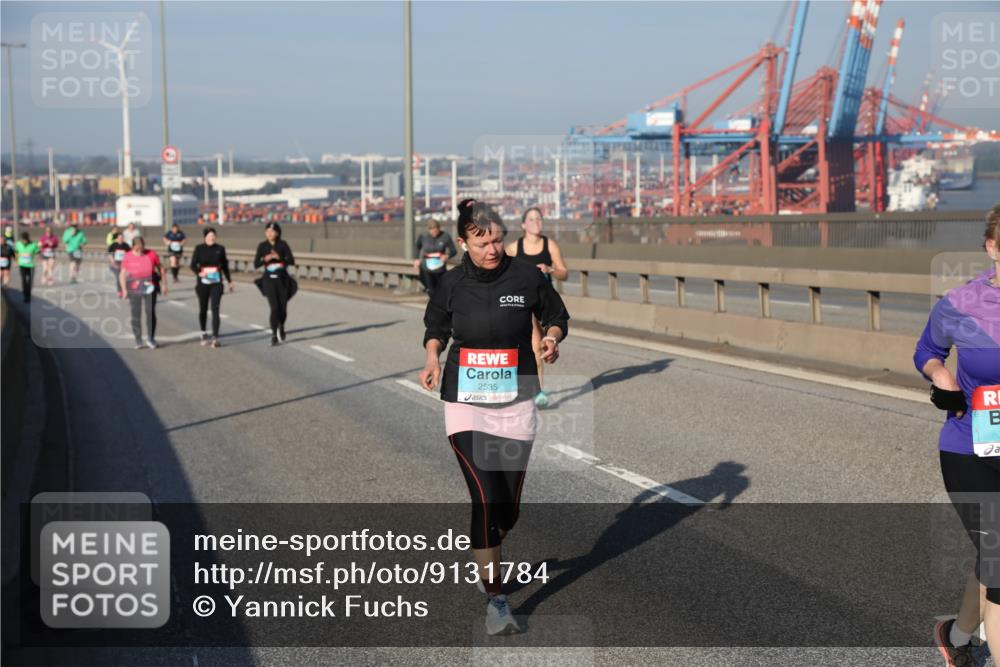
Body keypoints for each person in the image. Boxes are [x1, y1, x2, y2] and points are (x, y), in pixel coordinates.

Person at [419, 199, 569, 636]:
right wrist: (432, 357)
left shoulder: (525, 275)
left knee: (507, 510)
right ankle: (496, 599)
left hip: (517, 402)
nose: (491, 249)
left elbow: (556, 315)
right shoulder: (450, 284)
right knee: (484, 496)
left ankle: (492, 541)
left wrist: (552, 340)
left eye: (497, 240)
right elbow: (435, 327)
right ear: (463, 242)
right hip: (465, 402)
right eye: (481, 242)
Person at [916, 203, 1000, 666]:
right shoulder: (961, 304)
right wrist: (940, 374)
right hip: (971, 449)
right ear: (991, 247)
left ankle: (959, 635)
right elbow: (928, 350)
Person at [506, 207, 569, 408]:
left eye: (539, 219)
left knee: (543, 343)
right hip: (524, 302)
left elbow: (564, 273)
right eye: (531, 219)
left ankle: (531, 385)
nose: (536, 223)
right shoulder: (515, 248)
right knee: (535, 345)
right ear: (523, 224)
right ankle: (538, 391)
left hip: (545, 301)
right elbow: (500, 270)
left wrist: (550, 269)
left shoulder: (549, 245)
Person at [118, 236, 166, 349]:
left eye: (141, 248)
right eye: (137, 249)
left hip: (150, 285)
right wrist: (124, 289)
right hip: (134, 286)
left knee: (150, 312)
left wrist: (164, 284)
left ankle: (150, 338)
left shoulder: (151, 254)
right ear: (133, 247)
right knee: (136, 313)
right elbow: (122, 273)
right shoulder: (127, 256)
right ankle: (138, 340)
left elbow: (161, 268)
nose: (139, 251)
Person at [190, 227, 234, 348]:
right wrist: (199, 272)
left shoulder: (220, 249)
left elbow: (225, 266)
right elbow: (193, 265)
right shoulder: (199, 248)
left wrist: (230, 281)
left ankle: (215, 337)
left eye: (213, 235)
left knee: (215, 309)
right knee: (203, 309)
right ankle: (203, 333)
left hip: (216, 282)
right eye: (209, 235)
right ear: (205, 237)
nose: (212, 237)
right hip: (203, 283)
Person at [254, 222, 295, 346]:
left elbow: (292, 261)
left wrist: (280, 257)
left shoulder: (283, 245)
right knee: (274, 307)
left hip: (282, 279)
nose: (269, 234)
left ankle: (281, 325)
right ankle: (273, 334)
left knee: (282, 308)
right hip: (269, 280)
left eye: (272, 231)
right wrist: (263, 259)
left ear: (277, 233)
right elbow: (255, 264)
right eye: (267, 231)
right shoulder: (262, 246)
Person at [413, 220, 457, 296]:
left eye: (436, 231)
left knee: (441, 292)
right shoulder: (423, 236)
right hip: (426, 269)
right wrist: (416, 259)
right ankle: (433, 303)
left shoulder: (445, 236)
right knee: (432, 292)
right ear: (428, 230)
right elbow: (417, 248)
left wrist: (447, 256)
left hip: (440, 270)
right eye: (432, 231)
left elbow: (453, 251)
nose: (434, 233)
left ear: (439, 229)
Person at [15, 232, 40, 303]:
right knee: (23, 279)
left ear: (28, 239)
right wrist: (16, 261)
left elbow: (38, 252)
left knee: (29, 280)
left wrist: (37, 259)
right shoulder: (18, 244)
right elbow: (16, 253)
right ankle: (25, 294)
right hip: (22, 265)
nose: (24, 241)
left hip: (30, 266)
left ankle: (28, 294)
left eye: (25, 240)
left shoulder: (33, 245)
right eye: (23, 240)